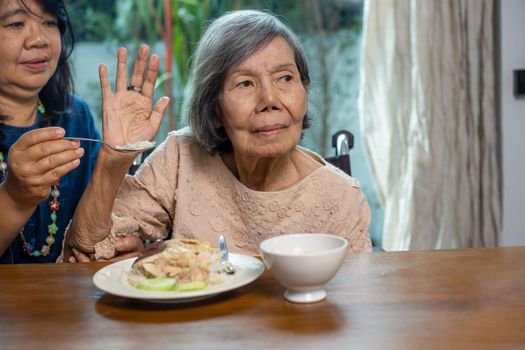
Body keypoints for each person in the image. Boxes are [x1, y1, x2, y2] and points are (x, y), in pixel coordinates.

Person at [63, 10, 371, 262]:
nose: (270, 100)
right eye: (245, 83)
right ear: (214, 110)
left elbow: (356, 304)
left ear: (303, 91)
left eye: (285, 78)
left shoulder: (341, 198)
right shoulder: (180, 158)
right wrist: (114, 158)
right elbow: (85, 249)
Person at [0, 0, 139, 263]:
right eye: (16, 23)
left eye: (49, 22)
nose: (39, 39)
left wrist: (116, 245)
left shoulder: (75, 115)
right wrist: (14, 197)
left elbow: (92, 230)